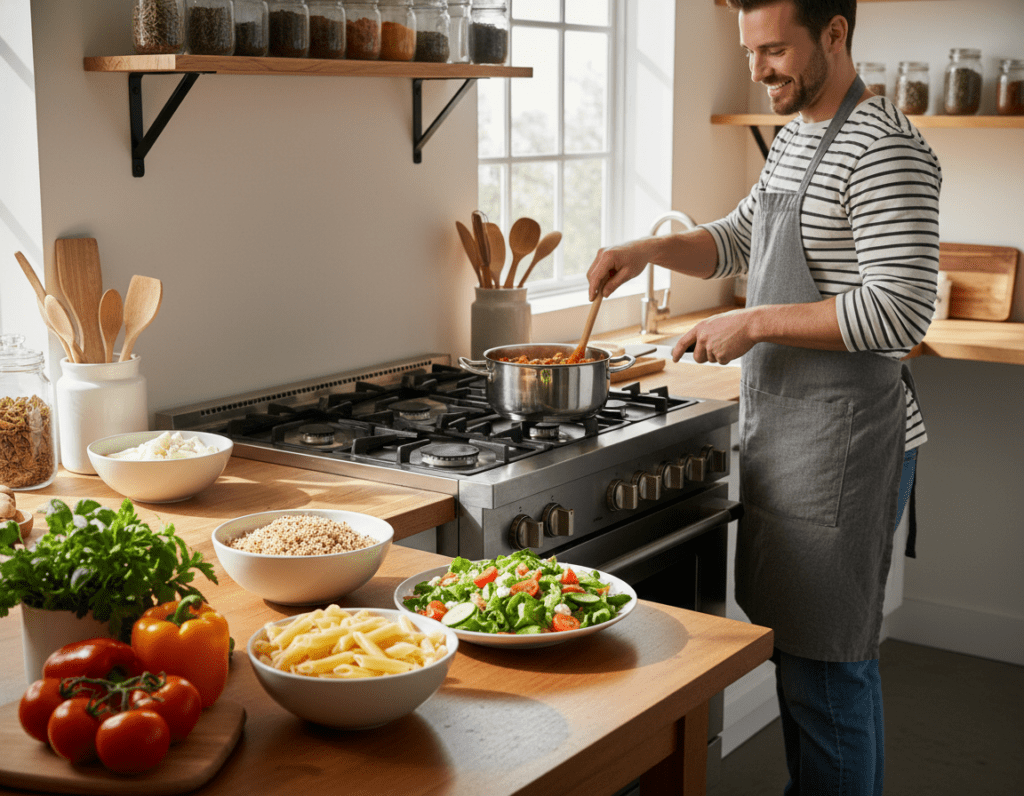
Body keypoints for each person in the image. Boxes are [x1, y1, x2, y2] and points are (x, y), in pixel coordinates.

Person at [586, 1, 941, 793]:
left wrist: (752, 322)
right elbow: (741, 236)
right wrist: (648, 250)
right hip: (796, 430)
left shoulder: (883, 146)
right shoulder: (800, 136)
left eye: (775, 49)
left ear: (836, 35)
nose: (757, 70)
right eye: (751, 50)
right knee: (809, 661)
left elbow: (903, 309)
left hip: (849, 443)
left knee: (828, 669)